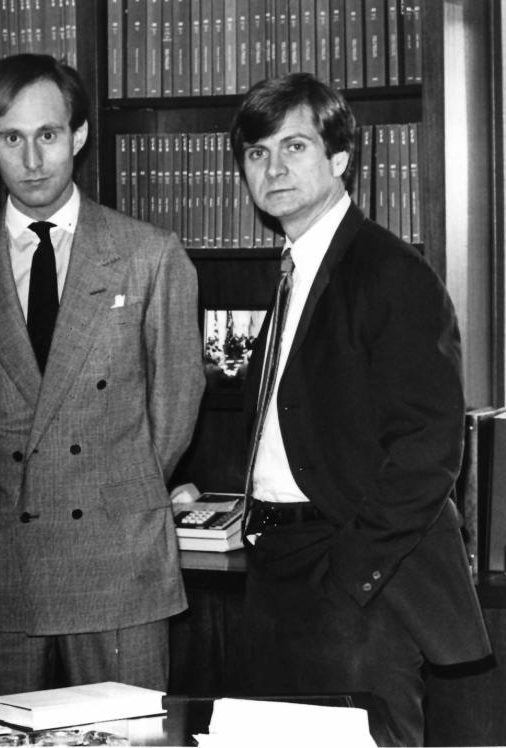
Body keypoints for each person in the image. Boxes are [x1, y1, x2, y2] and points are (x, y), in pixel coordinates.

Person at [0, 53, 205, 700]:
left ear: (77, 136)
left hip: (117, 562)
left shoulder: (149, 256)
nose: (33, 157)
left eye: (48, 134)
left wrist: (107, 486)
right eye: (12, 138)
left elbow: (174, 412)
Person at [231, 72, 491, 745]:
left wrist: (350, 579)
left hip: (354, 584)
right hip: (278, 574)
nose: (273, 167)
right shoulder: (293, 271)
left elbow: (428, 451)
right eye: (257, 154)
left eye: (294, 147)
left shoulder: (389, 270)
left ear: (340, 160)